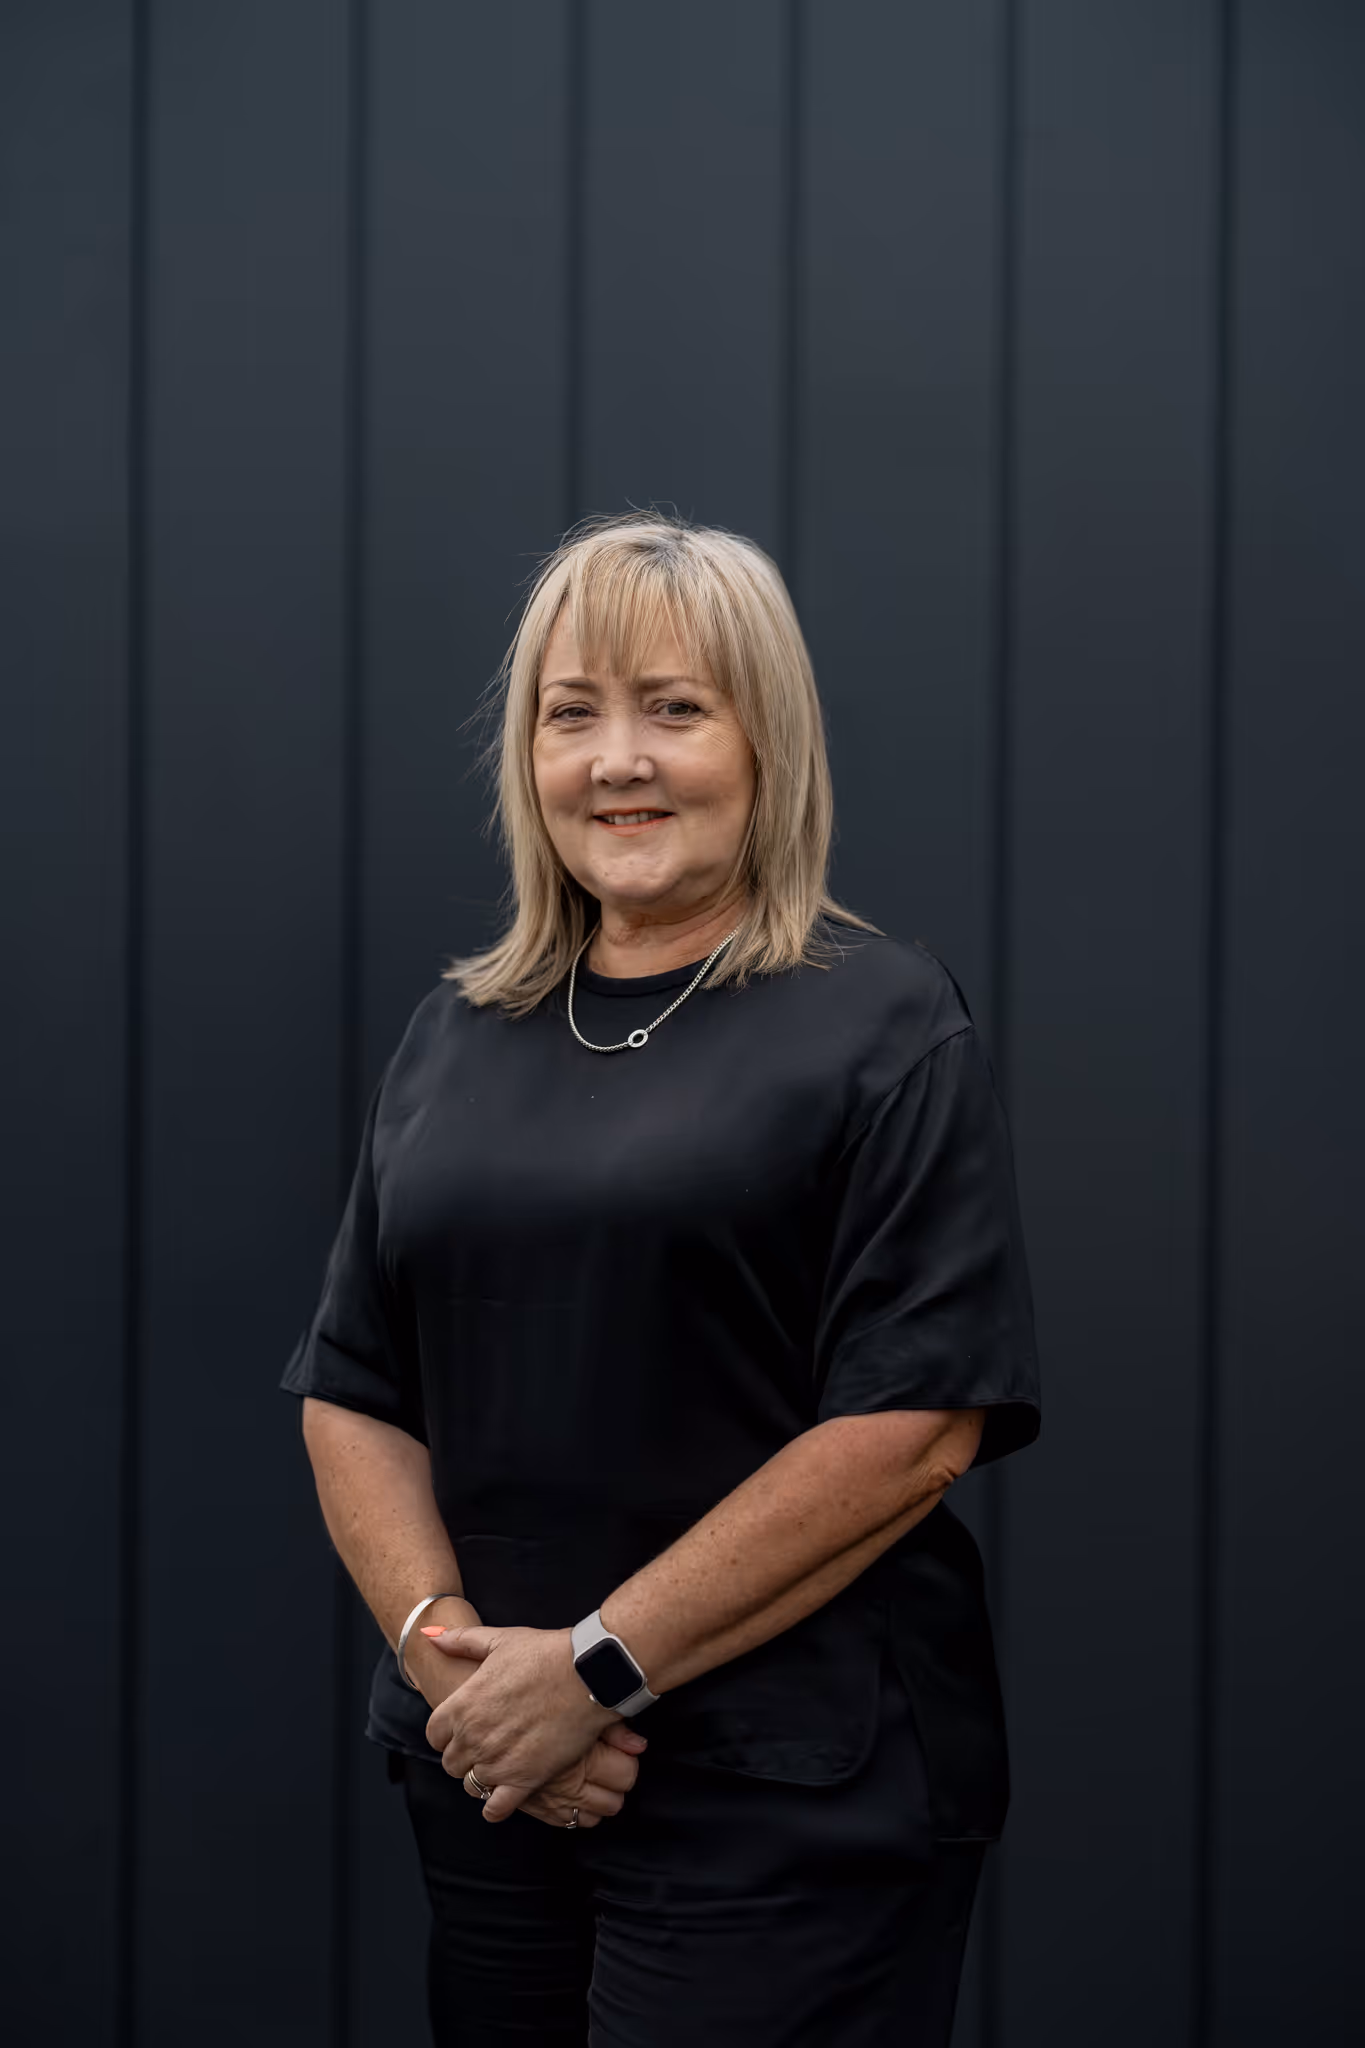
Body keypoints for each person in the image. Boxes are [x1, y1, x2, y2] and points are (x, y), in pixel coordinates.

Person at [282, 511, 1041, 2047]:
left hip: (785, 1795)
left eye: (675, 710)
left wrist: (598, 1670)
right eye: (574, 715)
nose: (617, 759)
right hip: (495, 1778)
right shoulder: (458, 1036)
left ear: (766, 743)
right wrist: (470, 1680)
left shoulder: (882, 1026)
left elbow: (916, 1426)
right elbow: (353, 1393)